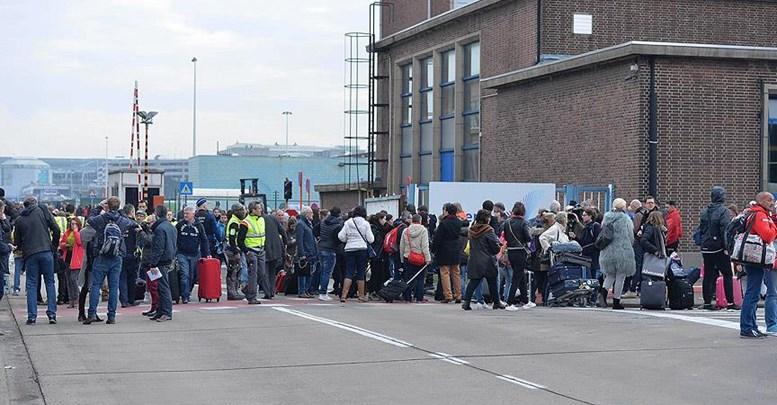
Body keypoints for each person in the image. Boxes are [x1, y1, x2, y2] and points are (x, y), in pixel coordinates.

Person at [83, 196, 134, 325]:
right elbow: (131, 222)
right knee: (113, 286)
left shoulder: (101, 219)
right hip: (117, 256)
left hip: (101, 255)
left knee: (96, 285)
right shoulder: (122, 220)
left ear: (107, 206)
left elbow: (90, 219)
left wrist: (99, 207)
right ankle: (111, 316)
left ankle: (91, 314)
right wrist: (120, 211)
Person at [14, 197, 61, 325]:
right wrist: (54, 246)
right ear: (34, 204)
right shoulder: (42, 211)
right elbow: (56, 229)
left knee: (31, 284)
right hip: (46, 251)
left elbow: (17, 242)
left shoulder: (19, 219)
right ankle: (52, 314)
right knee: (50, 282)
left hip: (30, 254)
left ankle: (32, 316)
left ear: (24, 206)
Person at [738, 192, 777, 338]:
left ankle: (751, 326)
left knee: (752, 293)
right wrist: (773, 227)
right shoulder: (760, 215)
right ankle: (747, 327)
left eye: (773, 200)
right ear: (760, 200)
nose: (772, 203)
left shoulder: (754, 213)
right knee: (752, 294)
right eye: (769, 200)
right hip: (755, 259)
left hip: (752, 257)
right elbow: (768, 236)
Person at [699, 186, 736, 310]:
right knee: (727, 273)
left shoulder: (704, 211)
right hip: (719, 247)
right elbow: (725, 230)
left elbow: (702, 229)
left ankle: (707, 302)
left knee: (708, 274)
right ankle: (730, 302)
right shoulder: (723, 211)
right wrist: (727, 247)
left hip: (706, 246)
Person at [462, 209, 503, 310]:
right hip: (488, 260)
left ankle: (466, 302)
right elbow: (495, 247)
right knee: (492, 282)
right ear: (486, 219)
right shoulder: (488, 230)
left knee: (474, 282)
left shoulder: (472, 230)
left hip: (474, 259)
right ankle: (496, 302)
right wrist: (498, 247)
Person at [598, 198, 636, 310]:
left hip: (607, 250)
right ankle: (616, 301)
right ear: (623, 207)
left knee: (610, 274)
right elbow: (630, 236)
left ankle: (603, 293)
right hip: (622, 250)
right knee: (620, 276)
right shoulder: (626, 219)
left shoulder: (606, 218)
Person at [337, 206, 374, 302]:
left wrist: (348, 239)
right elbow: (371, 239)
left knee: (349, 272)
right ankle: (361, 296)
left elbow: (341, 236)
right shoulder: (366, 224)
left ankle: (344, 295)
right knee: (361, 273)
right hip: (362, 249)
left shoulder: (348, 223)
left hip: (349, 249)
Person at [147, 205, 177, 322]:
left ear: (156, 214)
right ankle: (160, 311)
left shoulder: (159, 229)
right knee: (160, 287)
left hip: (161, 261)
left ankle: (166, 312)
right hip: (168, 259)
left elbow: (159, 248)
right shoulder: (171, 227)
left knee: (163, 287)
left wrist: (153, 263)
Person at [175, 206, 210, 304]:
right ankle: (185, 296)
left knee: (193, 276)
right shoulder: (179, 225)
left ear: (193, 214)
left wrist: (207, 253)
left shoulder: (199, 226)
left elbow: (204, 240)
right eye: (184, 213)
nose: (185, 215)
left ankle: (187, 292)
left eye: (187, 213)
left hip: (194, 254)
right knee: (184, 275)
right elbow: (174, 238)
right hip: (182, 254)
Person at [503, 202, 534, 310]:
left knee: (520, 276)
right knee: (517, 277)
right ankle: (509, 302)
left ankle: (525, 300)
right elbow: (528, 238)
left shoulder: (507, 223)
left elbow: (506, 237)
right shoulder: (523, 223)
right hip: (521, 251)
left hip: (511, 251)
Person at [432, 203, 464, 303]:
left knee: (445, 273)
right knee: (456, 273)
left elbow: (438, 238)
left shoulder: (444, 223)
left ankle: (448, 295)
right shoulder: (459, 222)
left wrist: (433, 249)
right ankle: (458, 295)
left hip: (444, 250)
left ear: (447, 211)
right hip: (455, 249)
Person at [237, 201, 267, 305]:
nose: (261, 210)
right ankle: (252, 296)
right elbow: (240, 240)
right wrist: (247, 252)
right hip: (252, 251)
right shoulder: (245, 222)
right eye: (258, 208)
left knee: (262, 273)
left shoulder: (262, 220)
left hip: (261, 250)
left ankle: (248, 288)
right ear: (252, 210)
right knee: (253, 274)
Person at [399, 214, 431, 303]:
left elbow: (402, 245)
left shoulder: (406, 230)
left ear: (412, 220)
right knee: (420, 278)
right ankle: (419, 297)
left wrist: (402, 258)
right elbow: (425, 246)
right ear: (420, 220)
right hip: (420, 257)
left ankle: (407, 297)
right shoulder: (423, 230)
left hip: (408, 256)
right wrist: (428, 258)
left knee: (408, 277)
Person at [315, 207, 342, 301]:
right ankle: (323, 293)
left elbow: (315, 229)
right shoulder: (337, 225)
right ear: (338, 215)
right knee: (327, 272)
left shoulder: (322, 222)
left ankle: (320, 290)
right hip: (330, 249)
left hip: (321, 247)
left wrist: (319, 237)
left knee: (323, 271)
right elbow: (338, 239)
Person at [262, 203, 288, 299]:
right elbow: (282, 231)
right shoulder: (273, 218)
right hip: (276, 248)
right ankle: (272, 290)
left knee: (264, 271)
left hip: (265, 248)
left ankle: (267, 292)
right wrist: (285, 243)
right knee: (272, 271)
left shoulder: (260, 220)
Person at [59, 217, 84, 308]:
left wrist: (76, 231)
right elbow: (62, 244)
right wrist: (63, 245)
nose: (73, 225)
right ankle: (71, 299)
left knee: (73, 278)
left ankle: (77, 297)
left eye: (74, 224)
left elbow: (79, 242)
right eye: (72, 223)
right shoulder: (67, 233)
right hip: (68, 257)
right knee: (68, 280)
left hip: (76, 258)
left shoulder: (80, 232)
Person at [224, 204, 247, 301]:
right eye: (241, 210)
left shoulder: (237, 221)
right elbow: (232, 238)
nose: (244, 212)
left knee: (237, 271)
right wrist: (236, 252)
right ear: (236, 212)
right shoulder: (234, 223)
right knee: (233, 271)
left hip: (234, 249)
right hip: (232, 250)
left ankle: (234, 291)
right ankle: (232, 293)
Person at [296, 206, 317, 298]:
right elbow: (299, 240)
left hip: (311, 252)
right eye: (311, 212)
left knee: (309, 272)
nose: (312, 214)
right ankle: (302, 290)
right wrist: (302, 254)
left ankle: (307, 290)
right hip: (306, 252)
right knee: (303, 273)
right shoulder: (301, 224)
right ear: (306, 213)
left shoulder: (308, 224)